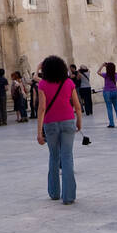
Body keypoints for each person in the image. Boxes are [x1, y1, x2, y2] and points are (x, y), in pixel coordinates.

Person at [35, 55, 82, 204]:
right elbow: (77, 105)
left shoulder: (42, 84)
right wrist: (79, 121)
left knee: (54, 156)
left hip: (50, 124)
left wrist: (39, 132)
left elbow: (41, 108)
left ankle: (54, 192)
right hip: (68, 121)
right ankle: (69, 196)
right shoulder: (68, 82)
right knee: (67, 156)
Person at [99, 61, 117, 128]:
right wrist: (108, 66)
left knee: (109, 108)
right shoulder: (116, 75)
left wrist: (103, 66)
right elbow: (112, 71)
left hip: (107, 92)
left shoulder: (106, 75)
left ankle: (111, 124)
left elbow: (98, 72)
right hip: (115, 91)